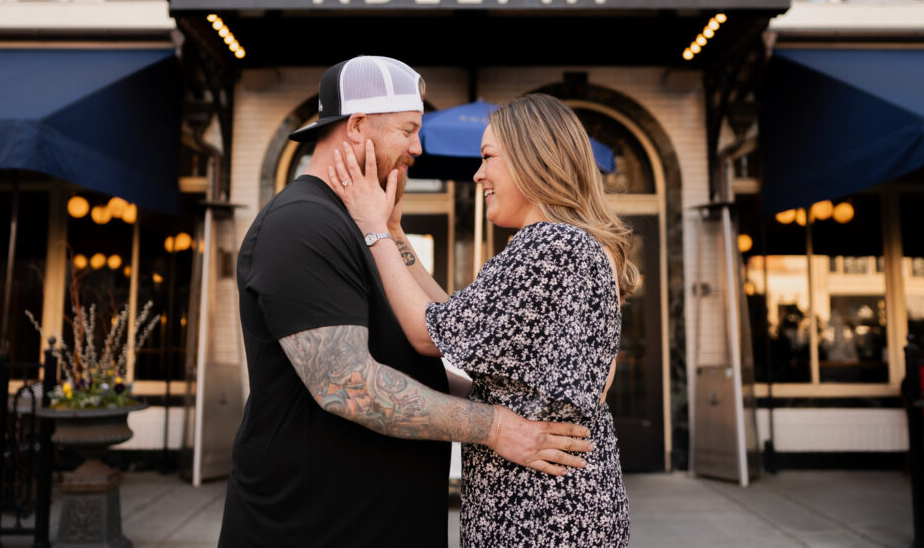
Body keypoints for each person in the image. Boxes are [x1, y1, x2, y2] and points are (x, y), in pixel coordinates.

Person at [217, 57, 593, 548]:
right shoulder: (301, 225)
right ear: (356, 127)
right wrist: (499, 428)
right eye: (408, 129)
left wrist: (388, 231)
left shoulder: (356, 223)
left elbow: (419, 345)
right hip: (314, 527)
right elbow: (349, 385)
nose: (418, 147)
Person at [329, 93, 639, 547]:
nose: (478, 175)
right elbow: (452, 321)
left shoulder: (549, 248)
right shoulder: (576, 245)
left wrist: (371, 226)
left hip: (540, 514)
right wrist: (395, 233)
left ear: (531, 161)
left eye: (488, 158)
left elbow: (424, 333)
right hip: (561, 504)